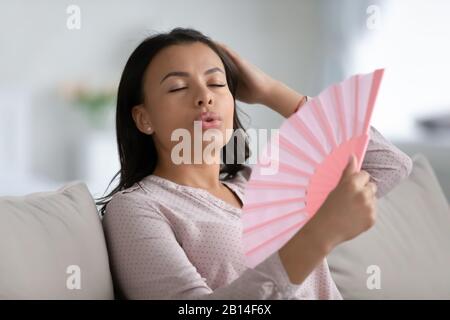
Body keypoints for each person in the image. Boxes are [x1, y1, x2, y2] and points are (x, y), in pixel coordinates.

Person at [97, 28, 413, 299]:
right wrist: (317, 237)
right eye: (179, 87)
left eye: (217, 84)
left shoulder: (258, 182)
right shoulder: (137, 208)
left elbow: (389, 162)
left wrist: (272, 92)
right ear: (143, 118)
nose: (205, 96)